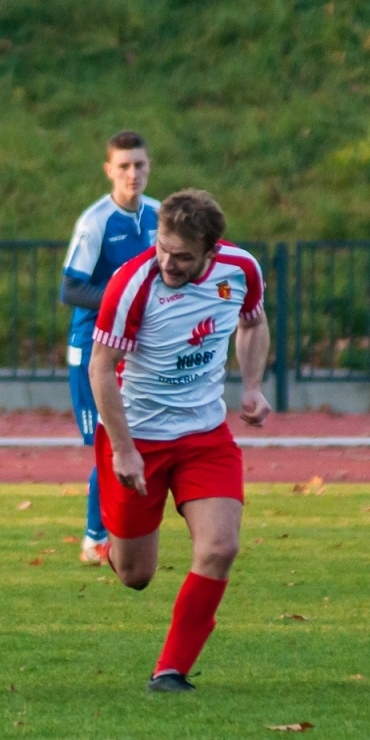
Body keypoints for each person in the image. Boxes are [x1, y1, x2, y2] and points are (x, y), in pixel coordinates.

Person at [88, 188, 270, 692]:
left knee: (220, 547)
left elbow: (253, 322)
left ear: (212, 250)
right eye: (162, 247)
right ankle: (114, 541)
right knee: (135, 575)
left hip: (204, 437)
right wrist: (123, 448)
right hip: (137, 438)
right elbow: (101, 368)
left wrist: (252, 386)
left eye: (183, 256)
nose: (168, 261)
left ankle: (170, 670)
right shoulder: (132, 284)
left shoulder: (241, 269)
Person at [60, 131, 158, 568]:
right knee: (110, 443)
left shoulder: (160, 215)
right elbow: (72, 288)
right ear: (109, 171)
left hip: (136, 350)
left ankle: (113, 533)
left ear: (149, 166)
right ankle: (94, 537)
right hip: (93, 351)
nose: (132, 173)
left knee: (132, 438)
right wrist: (127, 299)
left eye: (139, 164)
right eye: (124, 166)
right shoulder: (96, 221)